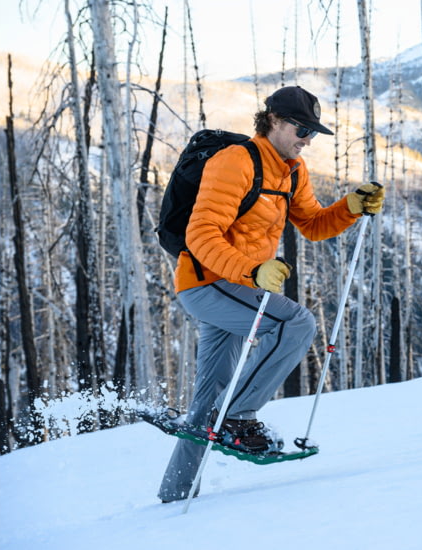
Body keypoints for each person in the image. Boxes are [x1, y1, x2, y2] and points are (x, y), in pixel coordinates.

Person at [157, 85, 385, 503]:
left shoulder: (292, 171)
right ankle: (238, 417)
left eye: (312, 132)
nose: (307, 139)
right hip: (208, 284)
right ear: (274, 121)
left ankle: (174, 498)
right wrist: (253, 269)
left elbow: (313, 224)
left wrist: (351, 206)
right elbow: (200, 234)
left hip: (240, 291)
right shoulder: (235, 162)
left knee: (207, 402)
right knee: (296, 324)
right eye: (301, 129)